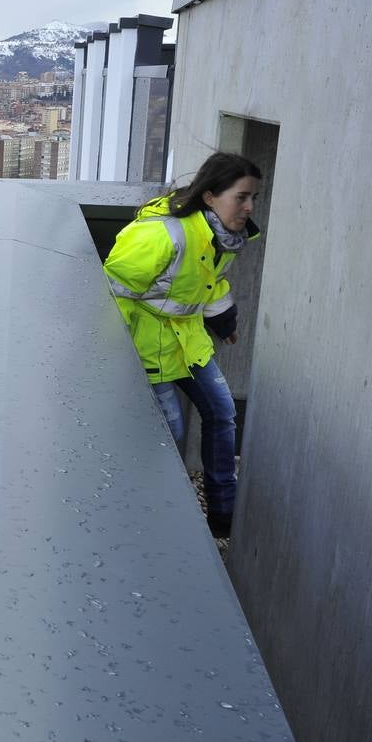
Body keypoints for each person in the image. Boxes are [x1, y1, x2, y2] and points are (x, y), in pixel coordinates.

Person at [104, 152, 264, 539]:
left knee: (223, 413)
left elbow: (209, 285)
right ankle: (148, 513)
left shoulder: (218, 237)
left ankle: (222, 513)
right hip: (147, 346)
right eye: (241, 197)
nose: (249, 207)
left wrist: (225, 323)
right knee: (168, 432)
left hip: (187, 340)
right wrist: (114, 356)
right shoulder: (163, 234)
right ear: (210, 197)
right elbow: (112, 294)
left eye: (252, 198)